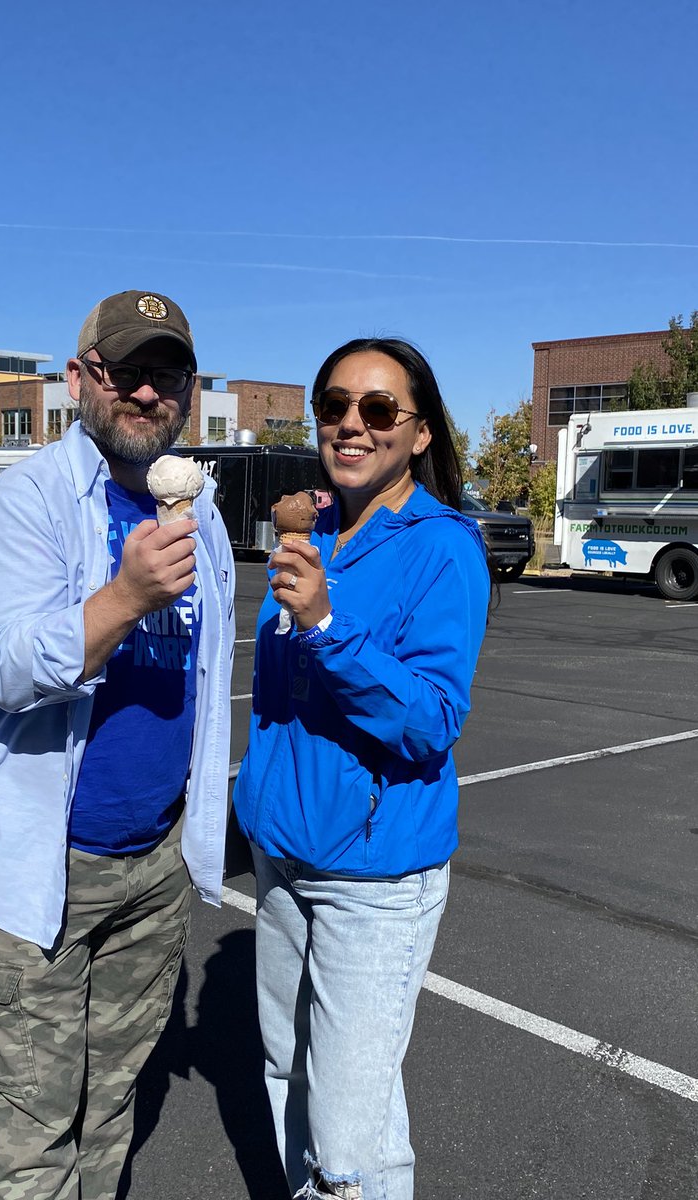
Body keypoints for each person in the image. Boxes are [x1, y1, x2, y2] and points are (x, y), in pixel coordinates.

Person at [0, 290, 235, 1200]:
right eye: (125, 371)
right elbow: (12, 674)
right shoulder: (21, 505)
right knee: (24, 1132)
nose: (146, 393)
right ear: (78, 379)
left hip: (152, 865)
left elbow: (209, 677)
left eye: (166, 375)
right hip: (35, 866)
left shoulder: (202, 514)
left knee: (107, 1105)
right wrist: (123, 597)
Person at [233, 337, 491, 1200]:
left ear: (418, 432)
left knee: (347, 1145)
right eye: (335, 406)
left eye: (378, 410)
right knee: (289, 1071)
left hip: (374, 878)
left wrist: (325, 628)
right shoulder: (319, 531)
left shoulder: (442, 548)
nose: (352, 424)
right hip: (281, 858)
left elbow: (432, 720)